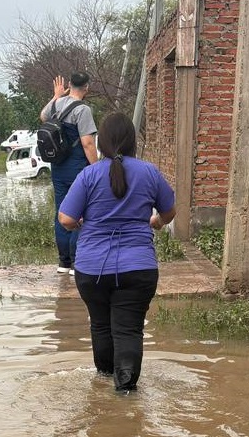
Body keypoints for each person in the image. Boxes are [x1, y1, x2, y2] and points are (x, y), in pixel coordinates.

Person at [57, 112, 177, 392]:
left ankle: (102, 387)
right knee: (129, 329)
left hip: (92, 269)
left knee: (100, 326)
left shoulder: (89, 174)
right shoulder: (149, 172)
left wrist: (83, 223)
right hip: (138, 268)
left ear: (102, 143)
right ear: (132, 141)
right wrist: (155, 222)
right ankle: (125, 393)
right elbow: (169, 211)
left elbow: (65, 218)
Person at [39, 72, 99, 275]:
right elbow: (88, 143)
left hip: (57, 168)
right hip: (77, 169)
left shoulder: (57, 104)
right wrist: (97, 168)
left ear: (69, 85)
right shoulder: (83, 110)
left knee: (62, 212)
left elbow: (42, 116)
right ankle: (76, 261)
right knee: (81, 213)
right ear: (87, 88)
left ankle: (63, 263)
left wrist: (56, 96)